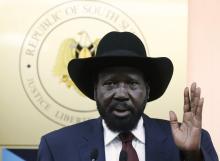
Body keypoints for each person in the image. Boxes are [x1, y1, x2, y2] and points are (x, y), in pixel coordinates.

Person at [37, 31, 218, 161]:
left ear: (147, 90)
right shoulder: (57, 147)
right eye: (110, 84)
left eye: (132, 83)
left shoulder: (193, 143)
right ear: (95, 91)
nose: (121, 94)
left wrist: (193, 156)